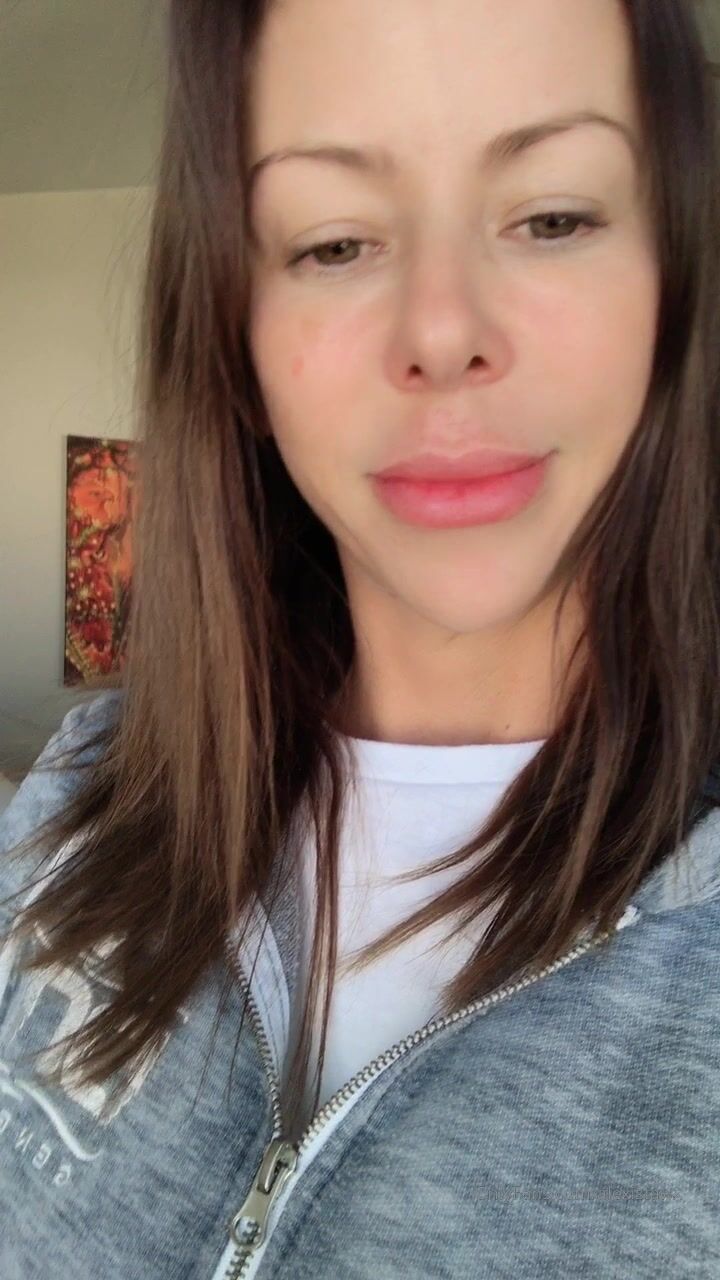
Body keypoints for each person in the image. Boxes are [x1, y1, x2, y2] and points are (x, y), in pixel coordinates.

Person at [1, 0, 719, 1275]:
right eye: (334, 242)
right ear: (237, 339)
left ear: (678, 280)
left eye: (554, 217)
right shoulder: (74, 797)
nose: (443, 332)